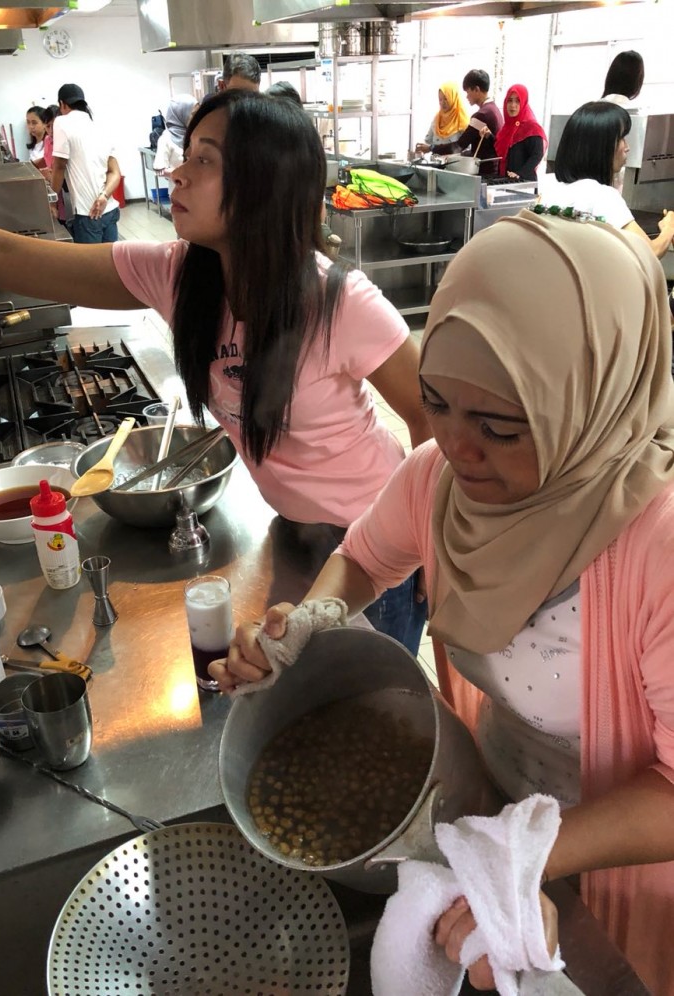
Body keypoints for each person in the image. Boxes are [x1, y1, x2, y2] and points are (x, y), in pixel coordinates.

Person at [212, 208, 674, 994]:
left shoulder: (654, 545)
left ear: (589, 401)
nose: (456, 446)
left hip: (617, 845)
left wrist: (526, 856)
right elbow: (363, 556)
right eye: (437, 402)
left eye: (497, 424)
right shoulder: (439, 480)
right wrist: (316, 616)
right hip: (494, 793)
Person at [0, 89, 430, 654]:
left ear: (263, 182)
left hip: (375, 547)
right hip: (292, 531)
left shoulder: (338, 300)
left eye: (204, 160)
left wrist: (433, 544)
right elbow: (9, 259)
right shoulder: (183, 276)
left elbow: (428, 417)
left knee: (372, 709)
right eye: (186, 155)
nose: (177, 172)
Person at [540, 101, 674, 259]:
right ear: (601, 147)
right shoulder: (603, 196)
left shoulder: (549, 186)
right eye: (622, 138)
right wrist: (669, 228)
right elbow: (649, 253)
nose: (627, 147)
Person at [50, 83, 121, 244]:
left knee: (91, 267)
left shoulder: (62, 122)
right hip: (109, 209)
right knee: (111, 264)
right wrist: (104, 196)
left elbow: (59, 166)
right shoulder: (99, 127)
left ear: (62, 104)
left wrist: (52, 202)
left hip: (87, 214)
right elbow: (115, 172)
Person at [494, 84, 547, 181]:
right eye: (509, 100)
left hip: (524, 183)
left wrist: (520, 174)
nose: (512, 105)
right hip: (506, 181)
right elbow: (504, 150)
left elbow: (537, 154)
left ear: (524, 102)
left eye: (518, 101)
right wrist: (489, 136)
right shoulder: (507, 127)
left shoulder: (532, 127)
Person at [456, 69, 503, 175]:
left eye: (468, 92)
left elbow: (460, 145)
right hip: (495, 169)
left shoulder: (482, 115)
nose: (467, 96)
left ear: (477, 89)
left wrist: (432, 148)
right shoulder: (495, 109)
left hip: (484, 171)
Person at [415, 82, 469, 156]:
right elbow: (428, 141)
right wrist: (421, 148)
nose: (442, 103)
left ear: (453, 98)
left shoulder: (462, 120)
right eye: (440, 99)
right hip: (436, 164)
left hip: (454, 165)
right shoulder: (437, 119)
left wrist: (432, 148)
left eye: (446, 99)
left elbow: (465, 148)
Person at [153, 94, 197, 181]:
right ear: (181, 114)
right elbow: (159, 170)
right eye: (193, 114)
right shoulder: (166, 139)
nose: (196, 118)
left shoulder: (196, 134)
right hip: (180, 189)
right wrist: (182, 172)